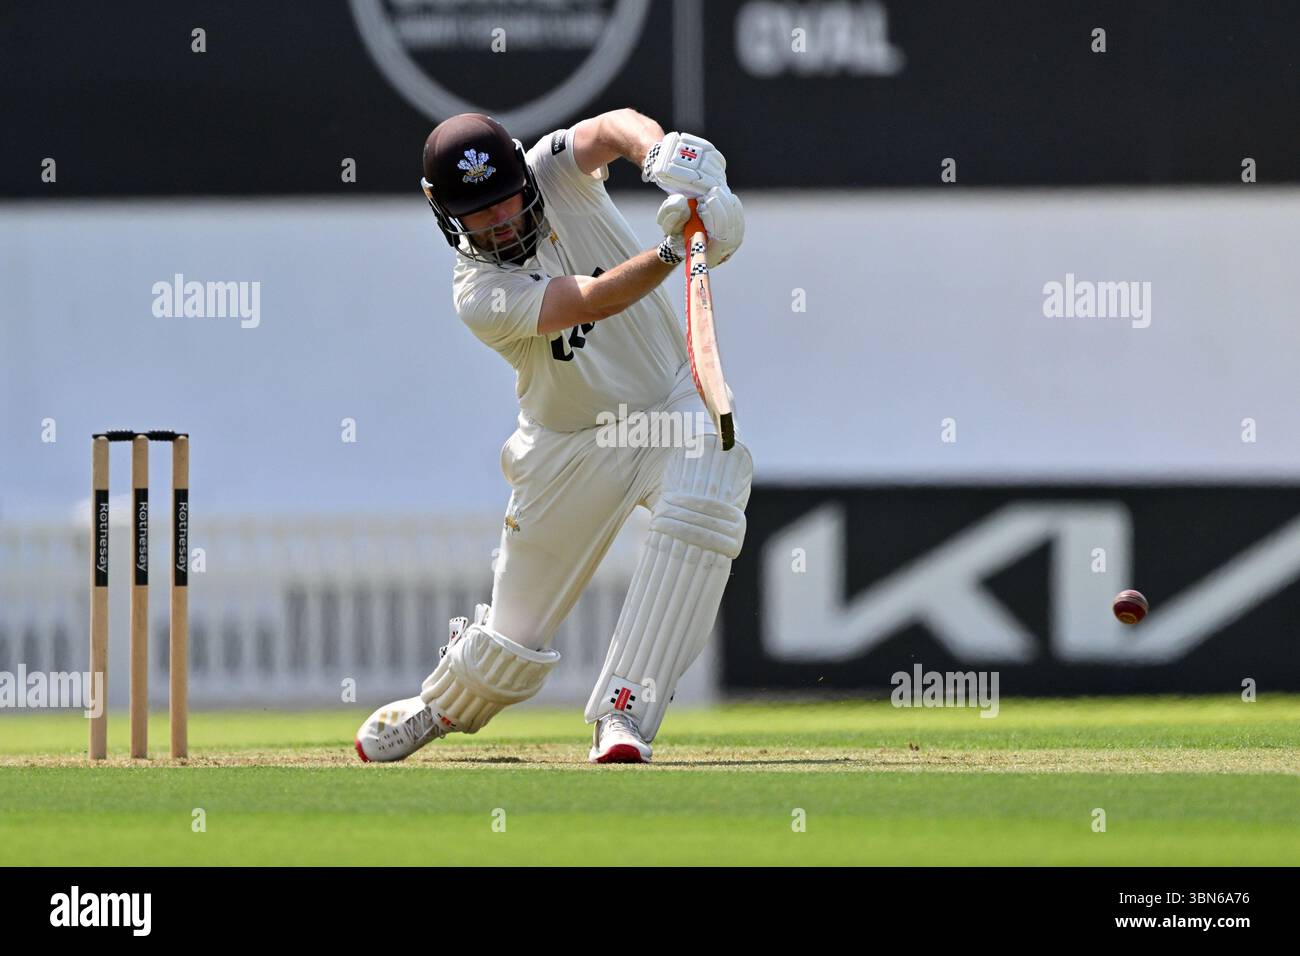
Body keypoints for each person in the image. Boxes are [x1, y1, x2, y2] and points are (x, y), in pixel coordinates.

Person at [355, 110, 751, 763]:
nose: (499, 222)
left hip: (668, 402)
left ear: (524, 175)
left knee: (711, 487)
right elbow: (590, 300)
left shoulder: (555, 168)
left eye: (504, 200)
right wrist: (677, 248)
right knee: (511, 640)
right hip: (567, 443)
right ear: (446, 215)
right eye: (476, 214)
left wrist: (665, 160)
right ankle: (443, 706)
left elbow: (617, 127)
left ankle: (625, 712)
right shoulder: (479, 291)